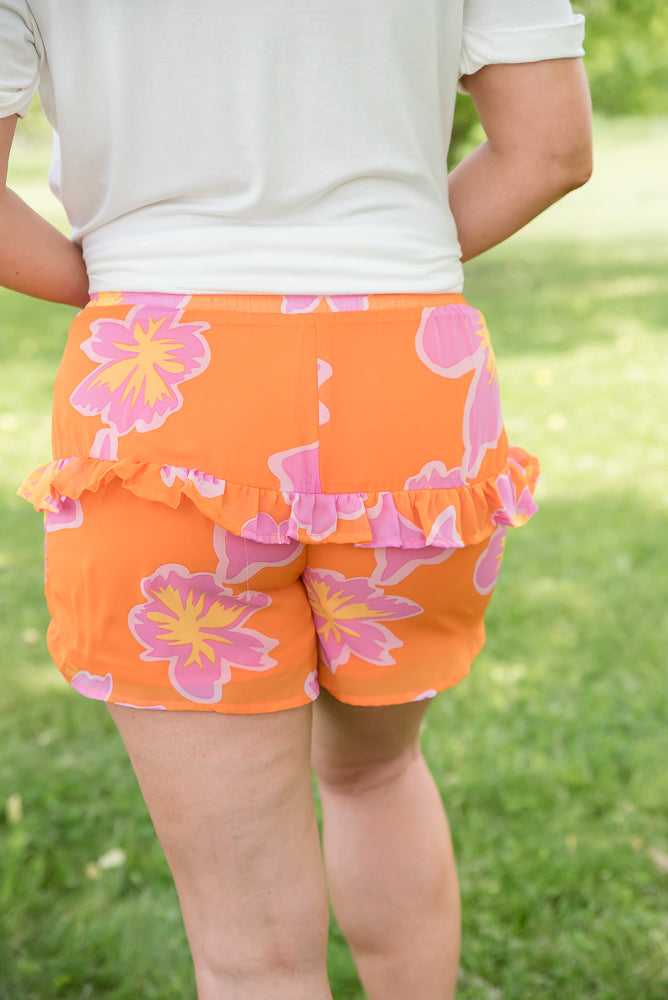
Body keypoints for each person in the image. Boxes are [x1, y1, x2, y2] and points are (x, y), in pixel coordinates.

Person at [0, 2, 592, 997]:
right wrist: (388, 264)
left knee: (248, 951)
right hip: (409, 376)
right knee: (374, 770)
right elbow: (550, 150)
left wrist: (122, 288)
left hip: (162, 381)